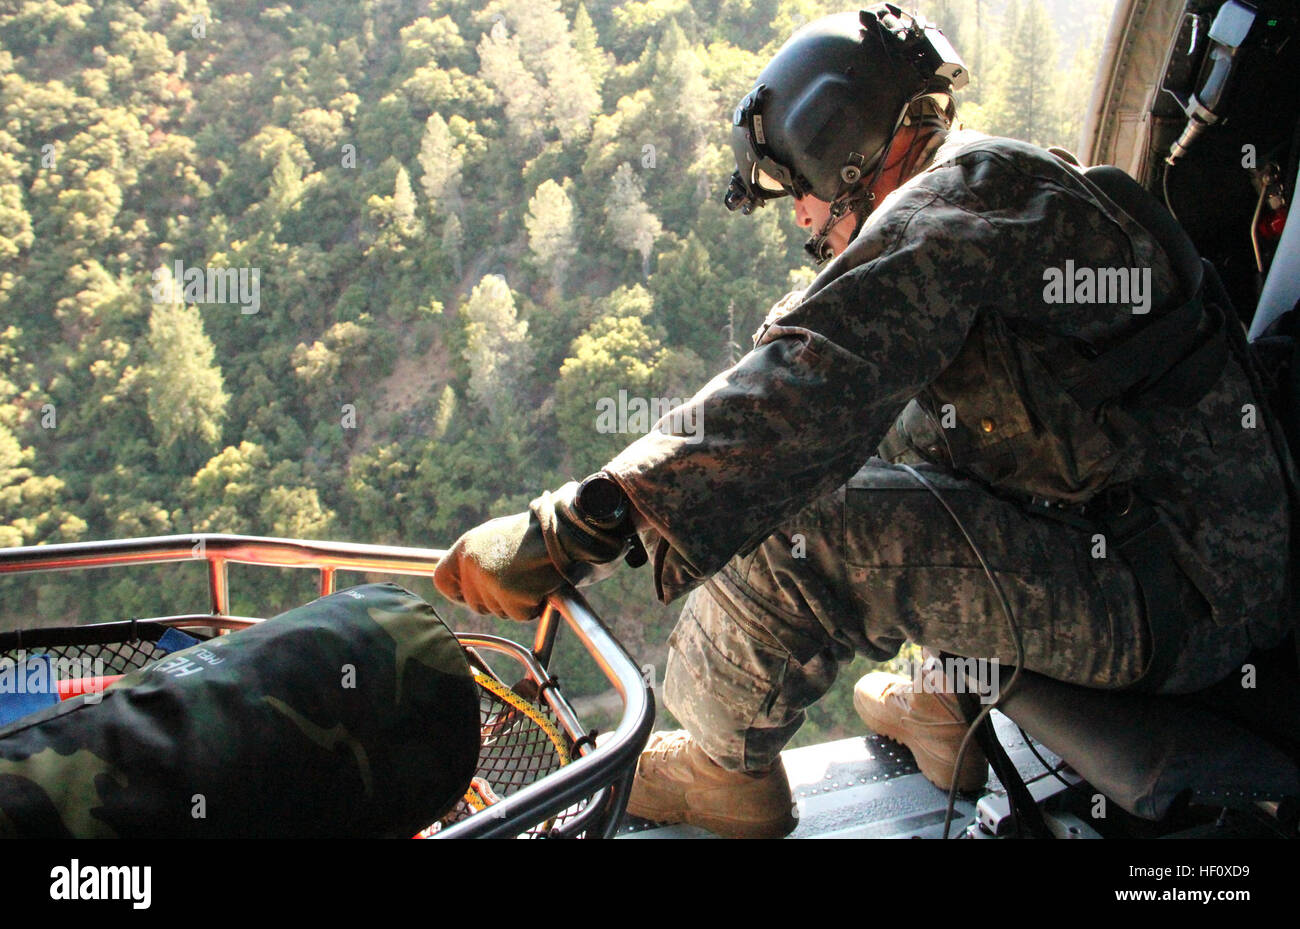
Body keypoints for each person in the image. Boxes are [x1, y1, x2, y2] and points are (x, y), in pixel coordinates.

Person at [434, 6, 1292, 838]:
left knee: (792, 526)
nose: (801, 219)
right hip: (1190, 568)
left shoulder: (947, 209)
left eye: (797, 192)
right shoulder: (987, 191)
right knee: (904, 428)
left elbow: (802, 389)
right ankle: (948, 704)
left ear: (840, 152)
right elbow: (813, 343)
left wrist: (577, 524)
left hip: (1178, 601)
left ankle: (723, 770)